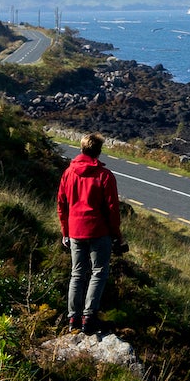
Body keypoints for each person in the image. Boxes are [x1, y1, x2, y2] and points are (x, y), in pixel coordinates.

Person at [57, 133, 124, 333]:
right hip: (98, 230)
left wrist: (65, 231)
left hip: (75, 230)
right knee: (99, 272)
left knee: (77, 274)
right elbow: (113, 209)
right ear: (98, 151)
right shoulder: (104, 175)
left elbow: (62, 204)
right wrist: (117, 235)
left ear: (82, 148)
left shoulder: (69, 173)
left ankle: (73, 319)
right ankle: (89, 316)